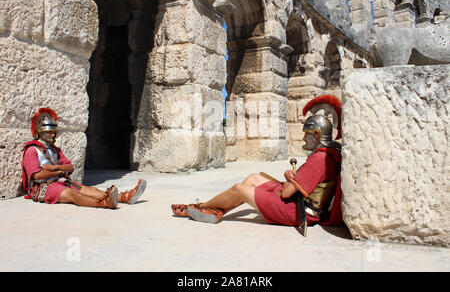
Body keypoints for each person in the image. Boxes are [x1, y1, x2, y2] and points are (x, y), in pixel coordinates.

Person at [171, 95, 343, 229]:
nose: (304, 137)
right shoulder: (329, 152)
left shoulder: (320, 158)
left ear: (318, 135)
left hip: (298, 212)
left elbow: (286, 193)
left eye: (307, 133)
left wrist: (288, 175)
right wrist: (294, 177)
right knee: (253, 178)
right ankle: (217, 211)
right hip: (298, 200)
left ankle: (198, 206)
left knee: (239, 189)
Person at [21, 107, 147, 209]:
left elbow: (69, 167)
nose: (53, 134)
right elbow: (37, 176)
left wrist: (56, 168)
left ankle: (125, 197)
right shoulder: (32, 150)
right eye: (49, 132)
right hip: (42, 188)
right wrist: (59, 171)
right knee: (73, 194)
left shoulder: (55, 150)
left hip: (59, 181)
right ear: (40, 132)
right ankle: (104, 203)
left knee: (89, 189)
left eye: (54, 131)